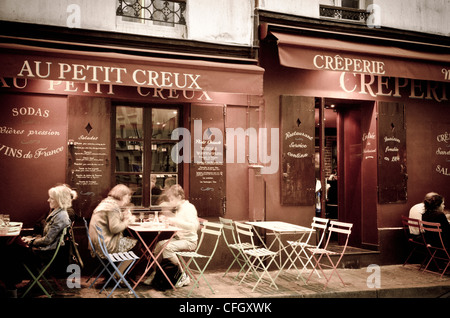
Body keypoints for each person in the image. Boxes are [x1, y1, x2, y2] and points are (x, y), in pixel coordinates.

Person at [144, 184, 199, 287]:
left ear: (179, 197)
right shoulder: (179, 208)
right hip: (179, 239)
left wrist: (174, 220)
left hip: (189, 241)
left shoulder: (189, 208)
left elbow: (193, 226)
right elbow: (179, 224)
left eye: (172, 199)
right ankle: (157, 273)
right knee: (159, 246)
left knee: (167, 248)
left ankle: (182, 275)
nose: (170, 202)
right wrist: (168, 221)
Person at [88, 184, 137, 258]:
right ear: (122, 196)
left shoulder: (106, 203)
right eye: (128, 197)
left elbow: (111, 221)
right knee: (138, 245)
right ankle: (120, 269)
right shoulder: (112, 208)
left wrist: (123, 216)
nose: (128, 200)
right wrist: (128, 221)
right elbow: (115, 228)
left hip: (97, 244)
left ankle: (119, 268)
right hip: (107, 246)